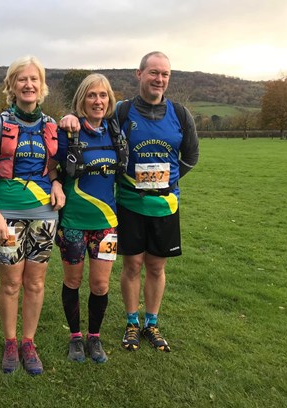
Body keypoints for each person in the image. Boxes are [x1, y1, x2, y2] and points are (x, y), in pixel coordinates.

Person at [60, 51, 199, 352]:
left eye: (164, 74)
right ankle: (132, 323)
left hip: (165, 205)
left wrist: (169, 182)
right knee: (133, 264)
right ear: (140, 74)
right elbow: (91, 117)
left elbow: (191, 157)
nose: (159, 79)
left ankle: (152, 322)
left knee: (157, 267)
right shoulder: (121, 113)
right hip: (129, 203)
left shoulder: (180, 113)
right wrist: (70, 116)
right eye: (153, 73)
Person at [0, 56, 65, 375]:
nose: (28, 85)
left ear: (41, 86)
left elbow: (54, 168)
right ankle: (10, 341)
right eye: (22, 79)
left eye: (34, 79)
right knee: (11, 282)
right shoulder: (0, 123)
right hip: (6, 215)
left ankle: (29, 341)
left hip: (44, 215)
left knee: (36, 282)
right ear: (12, 86)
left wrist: (56, 182)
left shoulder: (51, 126)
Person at [52, 73, 122, 363]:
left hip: (106, 224)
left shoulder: (116, 132)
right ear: (82, 99)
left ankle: (94, 337)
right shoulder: (68, 131)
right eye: (92, 95)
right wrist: (56, 182)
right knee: (72, 282)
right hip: (73, 223)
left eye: (103, 95)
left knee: (101, 285)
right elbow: (51, 165)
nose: (98, 101)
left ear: (109, 100)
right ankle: (75, 338)